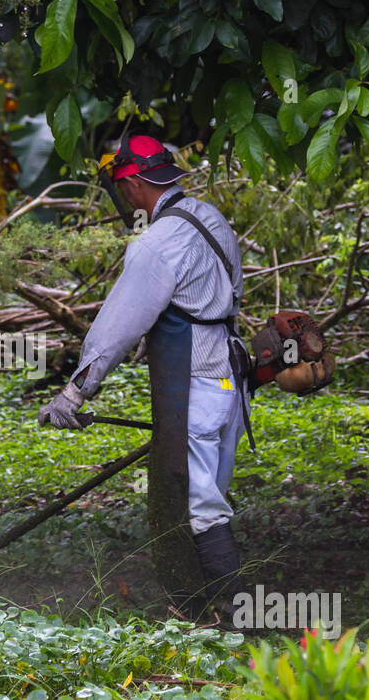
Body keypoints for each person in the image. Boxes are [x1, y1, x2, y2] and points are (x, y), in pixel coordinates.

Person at [38, 133, 251, 620]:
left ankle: (240, 616)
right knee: (210, 495)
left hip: (197, 384)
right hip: (229, 384)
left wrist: (74, 394)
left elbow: (116, 328)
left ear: (132, 185)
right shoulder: (209, 218)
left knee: (202, 507)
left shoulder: (156, 246)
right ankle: (205, 611)